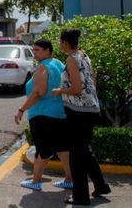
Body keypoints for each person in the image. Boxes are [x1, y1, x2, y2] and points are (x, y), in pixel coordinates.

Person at [52, 29, 110, 205]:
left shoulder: (71, 59)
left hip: (78, 111)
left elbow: (76, 88)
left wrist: (60, 90)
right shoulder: (84, 56)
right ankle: (101, 185)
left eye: (60, 41)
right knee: (84, 150)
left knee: (77, 156)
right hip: (90, 108)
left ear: (65, 43)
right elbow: (92, 81)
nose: (59, 44)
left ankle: (80, 197)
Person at [15, 39, 72, 191]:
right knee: (63, 148)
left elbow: (38, 93)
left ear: (47, 50)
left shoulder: (43, 67)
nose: (34, 53)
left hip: (42, 115)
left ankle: (35, 181)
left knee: (42, 150)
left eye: (38, 50)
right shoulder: (59, 63)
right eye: (33, 50)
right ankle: (69, 179)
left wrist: (22, 109)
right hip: (60, 113)